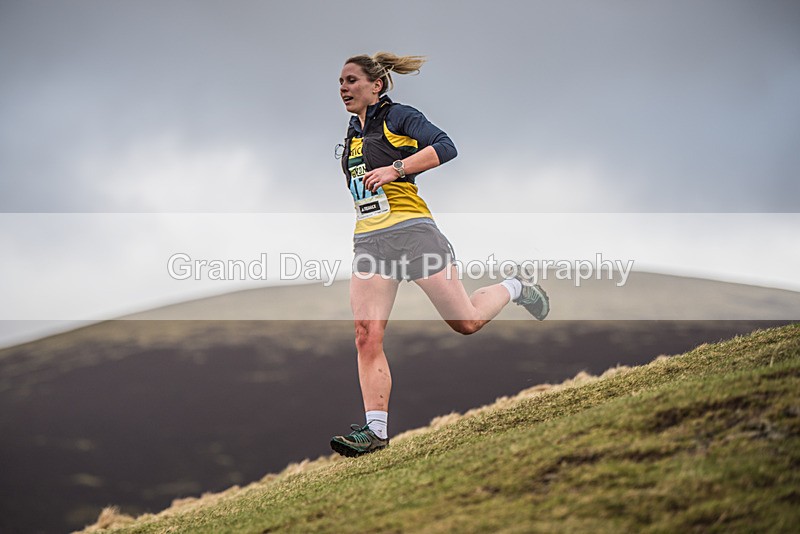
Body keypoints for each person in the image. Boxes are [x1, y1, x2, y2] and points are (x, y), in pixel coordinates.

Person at [330, 52, 549, 458]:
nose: (342, 88)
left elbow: (446, 147)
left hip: (414, 234)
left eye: (351, 80)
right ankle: (375, 431)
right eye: (340, 82)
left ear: (375, 85)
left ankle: (516, 287)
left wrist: (396, 169)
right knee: (365, 335)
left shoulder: (400, 117)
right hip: (370, 243)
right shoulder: (350, 135)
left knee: (465, 321)